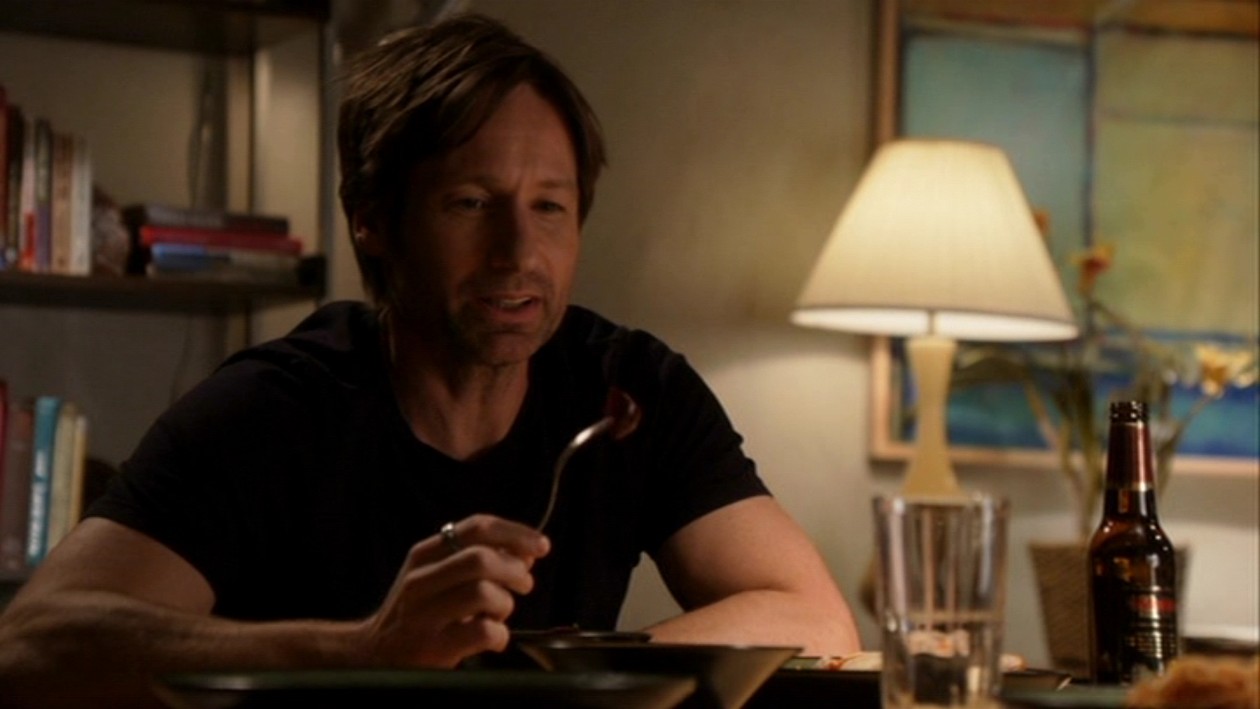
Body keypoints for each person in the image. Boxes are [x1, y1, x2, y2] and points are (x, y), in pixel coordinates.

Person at [0, 13, 860, 706]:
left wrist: (555, 679)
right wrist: (364, 649)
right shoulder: (273, 407)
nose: (518, 251)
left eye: (550, 207)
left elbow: (815, 616)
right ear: (372, 218)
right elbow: (28, 647)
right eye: (471, 202)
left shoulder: (628, 389)